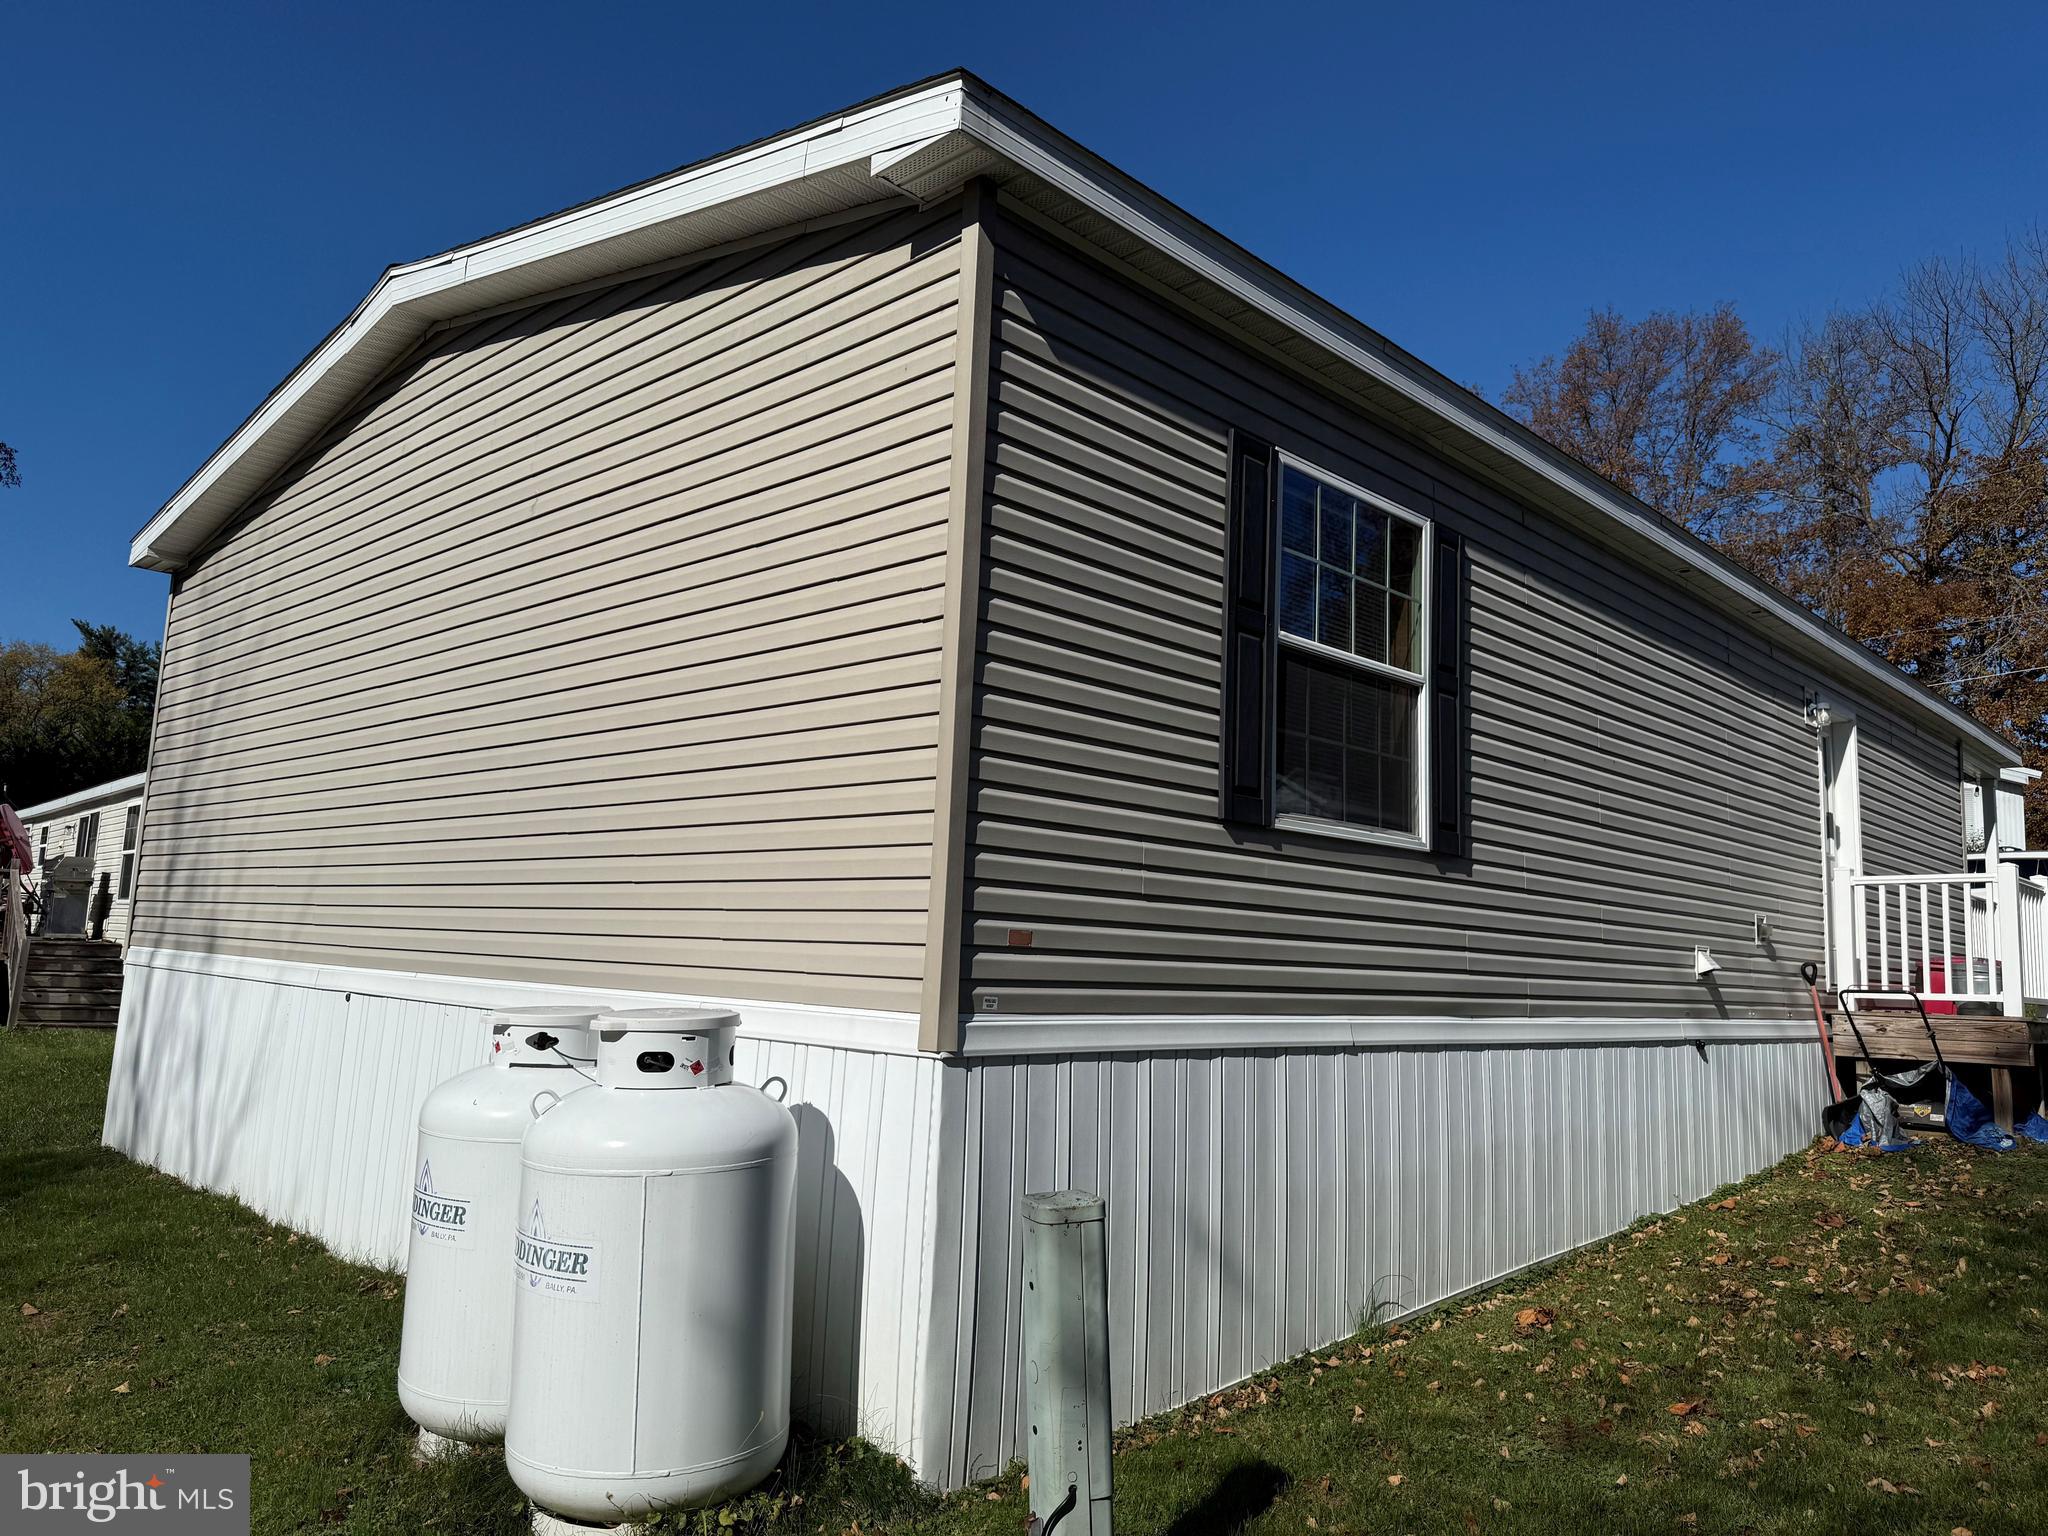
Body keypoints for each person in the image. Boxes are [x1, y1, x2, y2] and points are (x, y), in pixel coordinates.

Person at [89, 871, 113, 943]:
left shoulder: (102, 894)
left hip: (99, 914)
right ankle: (95, 934)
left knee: (97, 924)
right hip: (98, 913)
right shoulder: (101, 894)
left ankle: (96, 935)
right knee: (97, 924)